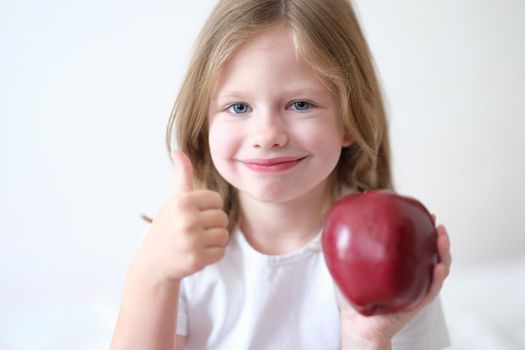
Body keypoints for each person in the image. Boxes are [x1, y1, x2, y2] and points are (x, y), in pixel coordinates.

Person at [110, 0, 452, 349]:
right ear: (204, 121)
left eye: (300, 104)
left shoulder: (396, 247)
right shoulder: (173, 247)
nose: (267, 134)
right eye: (238, 107)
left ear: (349, 119)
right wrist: (153, 274)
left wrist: (367, 336)